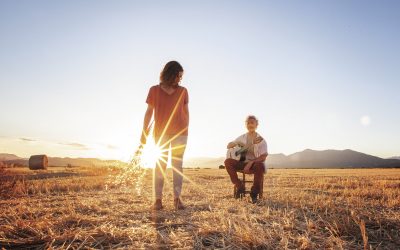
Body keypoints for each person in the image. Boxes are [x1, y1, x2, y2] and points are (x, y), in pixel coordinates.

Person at [140, 61, 189, 210]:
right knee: (160, 165)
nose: (180, 79)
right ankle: (158, 200)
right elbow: (149, 112)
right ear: (170, 73)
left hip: (180, 133)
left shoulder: (183, 91)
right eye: (178, 75)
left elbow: (186, 112)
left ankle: (177, 199)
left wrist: (186, 128)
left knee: (177, 166)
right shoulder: (154, 90)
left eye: (181, 76)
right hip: (161, 133)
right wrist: (144, 131)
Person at [224, 115, 268, 203]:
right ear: (246, 125)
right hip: (242, 162)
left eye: (252, 122)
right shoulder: (242, 137)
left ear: (256, 125)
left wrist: (251, 163)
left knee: (260, 165)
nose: (250, 124)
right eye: (248, 123)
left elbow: (263, 156)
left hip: (255, 164)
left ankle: (254, 193)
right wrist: (233, 144)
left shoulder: (260, 139)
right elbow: (229, 146)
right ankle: (240, 186)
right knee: (227, 162)